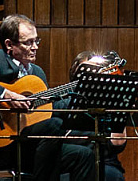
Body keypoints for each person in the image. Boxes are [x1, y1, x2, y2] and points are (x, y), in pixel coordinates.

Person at [0, 14, 94, 181]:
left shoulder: (37, 73)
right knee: (54, 126)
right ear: (9, 44)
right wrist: (7, 95)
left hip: (28, 148)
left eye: (37, 41)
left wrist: (83, 96)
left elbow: (46, 112)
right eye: (28, 42)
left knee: (84, 155)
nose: (35, 47)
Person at [54, 50, 127, 181]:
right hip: (72, 163)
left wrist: (120, 110)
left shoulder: (110, 105)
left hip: (105, 163)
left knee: (113, 176)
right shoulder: (61, 104)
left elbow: (117, 144)